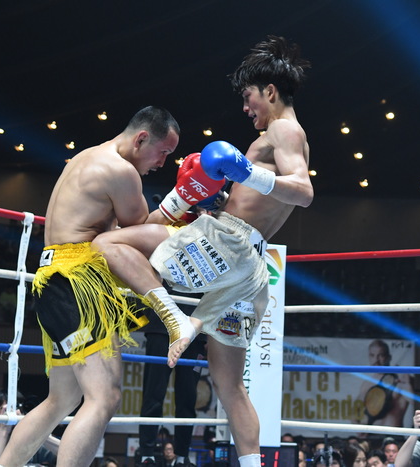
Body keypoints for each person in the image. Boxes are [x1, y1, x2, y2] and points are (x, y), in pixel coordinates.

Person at [93, 35, 313, 467]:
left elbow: (303, 191)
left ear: (270, 91)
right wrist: (221, 195)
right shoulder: (283, 135)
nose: (246, 107)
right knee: (230, 387)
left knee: (108, 241)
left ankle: (171, 316)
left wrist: (244, 171)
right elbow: (264, 198)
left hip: (226, 245)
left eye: (249, 97)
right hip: (248, 268)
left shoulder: (284, 129)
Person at [0, 106, 182, 467]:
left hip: (54, 281)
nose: (163, 163)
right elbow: (139, 233)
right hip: (76, 285)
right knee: (104, 397)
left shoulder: (87, 156)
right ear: (142, 138)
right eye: (163, 152)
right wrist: (183, 198)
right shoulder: (121, 171)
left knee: (61, 400)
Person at [138, 294, 205, 467]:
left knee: (188, 397)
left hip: (197, 329)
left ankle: (182, 456)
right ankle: (147, 454)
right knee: (153, 392)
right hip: (162, 324)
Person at [0, 389, 59, 467]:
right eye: (6, 410)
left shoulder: (30, 437)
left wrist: (38, 432)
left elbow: (65, 454)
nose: (14, 413)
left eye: (16, 407)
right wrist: (3, 431)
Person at [358, 339, 413, 427]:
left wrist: (408, 385)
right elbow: (355, 412)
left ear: (389, 357)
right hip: (371, 433)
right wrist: (358, 427)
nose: (376, 360)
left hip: (393, 433)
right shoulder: (366, 384)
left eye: (381, 355)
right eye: (372, 355)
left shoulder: (401, 377)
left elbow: (417, 404)